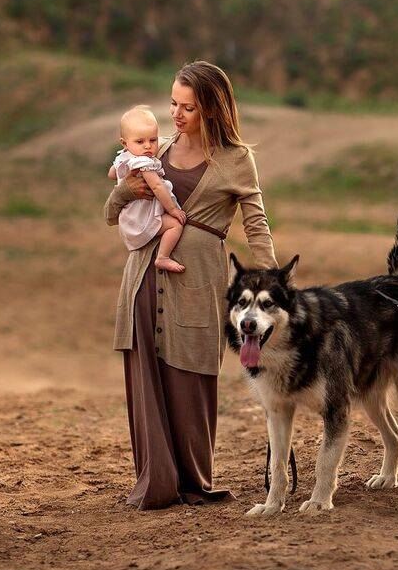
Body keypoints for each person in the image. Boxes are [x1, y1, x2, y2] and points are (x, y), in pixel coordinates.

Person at [104, 60, 277, 509]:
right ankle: (157, 482)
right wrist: (127, 191)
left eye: (188, 107)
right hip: (144, 276)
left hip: (198, 280)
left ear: (212, 109)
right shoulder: (153, 151)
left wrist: (275, 286)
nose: (176, 115)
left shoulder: (237, 159)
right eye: (173, 104)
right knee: (148, 379)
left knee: (192, 375)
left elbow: (256, 225)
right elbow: (112, 212)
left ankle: (193, 481)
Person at [107, 104, 188, 273]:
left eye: (153, 140)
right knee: (175, 225)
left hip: (130, 219)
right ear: (124, 143)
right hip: (142, 220)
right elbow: (157, 186)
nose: (147, 146)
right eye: (140, 142)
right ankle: (163, 257)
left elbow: (112, 174)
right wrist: (173, 209)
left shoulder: (124, 156)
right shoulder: (143, 162)